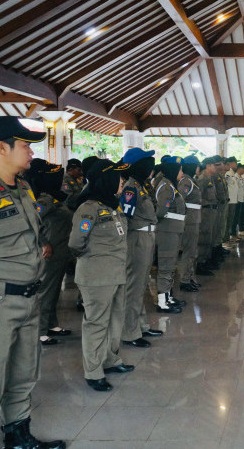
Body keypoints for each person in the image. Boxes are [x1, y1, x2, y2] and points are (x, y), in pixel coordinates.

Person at [0, 117, 65, 448]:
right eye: (25, 145)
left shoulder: (21, 188)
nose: (31, 152)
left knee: (22, 376)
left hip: (27, 300)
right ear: (1, 147)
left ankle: (18, 437)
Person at [69, 159, 134, 392]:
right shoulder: (88, 208)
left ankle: (110, 359)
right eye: (118, 178)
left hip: (116, 274)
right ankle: (93, 371)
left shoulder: (112, 206)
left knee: (114, 320)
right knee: (96, 323)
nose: (122, 182)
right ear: (106, 179)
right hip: (96, 277)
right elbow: (76, 243)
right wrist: (96, 259)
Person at [25, 159, 73, 346]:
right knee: (46, 291)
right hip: (50, 253)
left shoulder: (54, 197)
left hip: (60, 251)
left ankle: (51, 324)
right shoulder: (45, 199)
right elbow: (32, 222)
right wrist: (43, 242)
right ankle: (41, 330)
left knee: (53, 291)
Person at [119, 147, 162, 349]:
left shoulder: (141, 186)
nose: (151, 167)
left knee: (142, 284)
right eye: (147, 163)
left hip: (147, 236)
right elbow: (125, 217)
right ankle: (129, 331)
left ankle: (141, 325)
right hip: (137, 239)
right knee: (134, 286)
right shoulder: (131, 188)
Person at [154, 156, 186, 313]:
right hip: (167, 231)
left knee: (171, 265)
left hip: (173, 231)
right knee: (166, 266)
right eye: (180, 170)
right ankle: (162, 302)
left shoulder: (171, 185)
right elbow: (160, 211)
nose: (182, 173)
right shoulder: (166, 187)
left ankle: (168, 296)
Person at [176, 155, 203, 293]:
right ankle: (185, 280)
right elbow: (180, 199)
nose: (199, 168)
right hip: (190, 220)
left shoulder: (192, 180)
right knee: (189, 250)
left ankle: (190, 277)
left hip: (194, 219)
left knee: (192, 250)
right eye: (197, 166)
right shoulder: (186, 181)